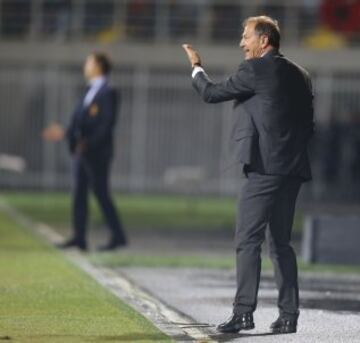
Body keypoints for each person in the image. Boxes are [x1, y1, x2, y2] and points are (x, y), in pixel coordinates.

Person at [182, 15, 314, 334]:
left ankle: (243, 313)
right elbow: (308, 124)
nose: (242, 43)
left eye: (246, 37)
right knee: (281, 242)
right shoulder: (301, 74)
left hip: (265, 169)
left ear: (263, 41)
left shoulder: (255, 69)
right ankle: (288, 315)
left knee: (247, 239)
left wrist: (197, 67)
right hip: (293, 168)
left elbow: (211, 93)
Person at [43, 52, 127, 252]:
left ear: (98, 66)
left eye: (89, 62)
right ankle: (79, 237)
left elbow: (106, 124)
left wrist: (88, 143)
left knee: (100, 193)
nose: (85, 66)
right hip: (82, 151)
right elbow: (81, 121)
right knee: (79, 193)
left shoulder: (108, 91)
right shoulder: (90, 90)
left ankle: (118, 236)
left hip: (96, 152)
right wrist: (65, 133)